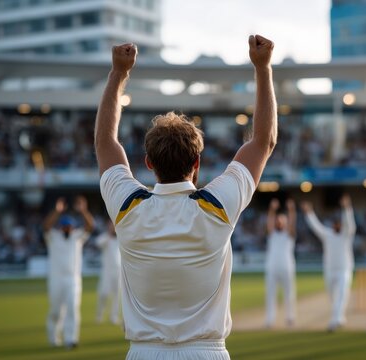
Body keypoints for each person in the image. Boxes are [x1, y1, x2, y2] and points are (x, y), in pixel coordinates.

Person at [95, 35, 276, 360]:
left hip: (143, 353)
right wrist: (263, 69)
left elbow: (105, 142)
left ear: (149, 164)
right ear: (197, 163)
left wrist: (118, 74)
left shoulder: (127, 208)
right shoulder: (216, 207)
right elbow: (264, 141)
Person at [43, 196, 94, 348]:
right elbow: (46, 226)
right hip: (56, 279)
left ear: (72, 227)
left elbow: (90, 226)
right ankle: (53, 337)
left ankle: (71, 339)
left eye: (69, 226)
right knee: (56, 311)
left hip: (73, 279)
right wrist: (57, 211)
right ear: (60, 227)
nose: (67, 229)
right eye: (65, 226)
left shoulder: (77, 236)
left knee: (73, 309)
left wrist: (84, 211)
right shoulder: (53, 236)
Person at [301, 194, 356, 332]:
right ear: (333, 225)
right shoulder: (328, 234)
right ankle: (339, 316)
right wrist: (309, 213)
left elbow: (350, 223)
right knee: (332, 296)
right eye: (335, 224)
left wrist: (347, 208)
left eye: (339, 224)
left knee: (342, 295)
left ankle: (335, 320)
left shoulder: (346, 234)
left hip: (344, 269)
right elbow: (315, 226)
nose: (337, 225)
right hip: (330, 270)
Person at [264, 198, 297, 328]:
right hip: (272, 267)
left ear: (286, 222)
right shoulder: (272, 234)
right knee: (270, 294)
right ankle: (270, 319)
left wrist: (291, 210)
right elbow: (269, 223)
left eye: (282, 220)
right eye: (277, 220)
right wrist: (272, 210)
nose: (279, 222)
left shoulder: (289, 234)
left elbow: (292, 223)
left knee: (289, 294)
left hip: (287, 267)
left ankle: (290, 317)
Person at [96, 220, 121, 325]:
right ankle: (99, 315)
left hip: (119, 271)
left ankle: (114, 316)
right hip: (107, 271)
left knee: (117, 295)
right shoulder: (105, 237)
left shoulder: (121, 238)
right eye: (111, 226)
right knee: (103, 294)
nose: (113, 228)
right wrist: (109, 236)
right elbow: (98, 243)